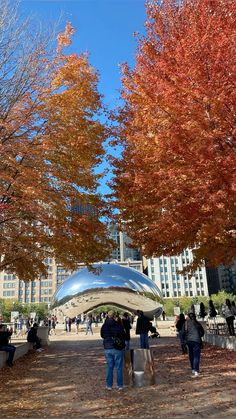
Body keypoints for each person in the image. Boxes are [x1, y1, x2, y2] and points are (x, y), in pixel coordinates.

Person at [100, 310, 126, 391]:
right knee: (119, 367)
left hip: (107, 348)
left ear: (107, 316)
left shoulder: (104, 326)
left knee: (109, 367)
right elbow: (123, 335)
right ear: (114, 316)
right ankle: (120, 385)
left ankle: (109, 386)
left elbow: (102, 335)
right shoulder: (118, 325)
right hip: (117, 348)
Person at [184, 311, 205, 377]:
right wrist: (198, 336)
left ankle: (193, 369)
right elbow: (202, 333)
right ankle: (196, 371)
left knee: (191, 355)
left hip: (189, 341)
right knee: (196, 356)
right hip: (196, 341)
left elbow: (184, 332)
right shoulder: (197, 323)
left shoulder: (186, 323)